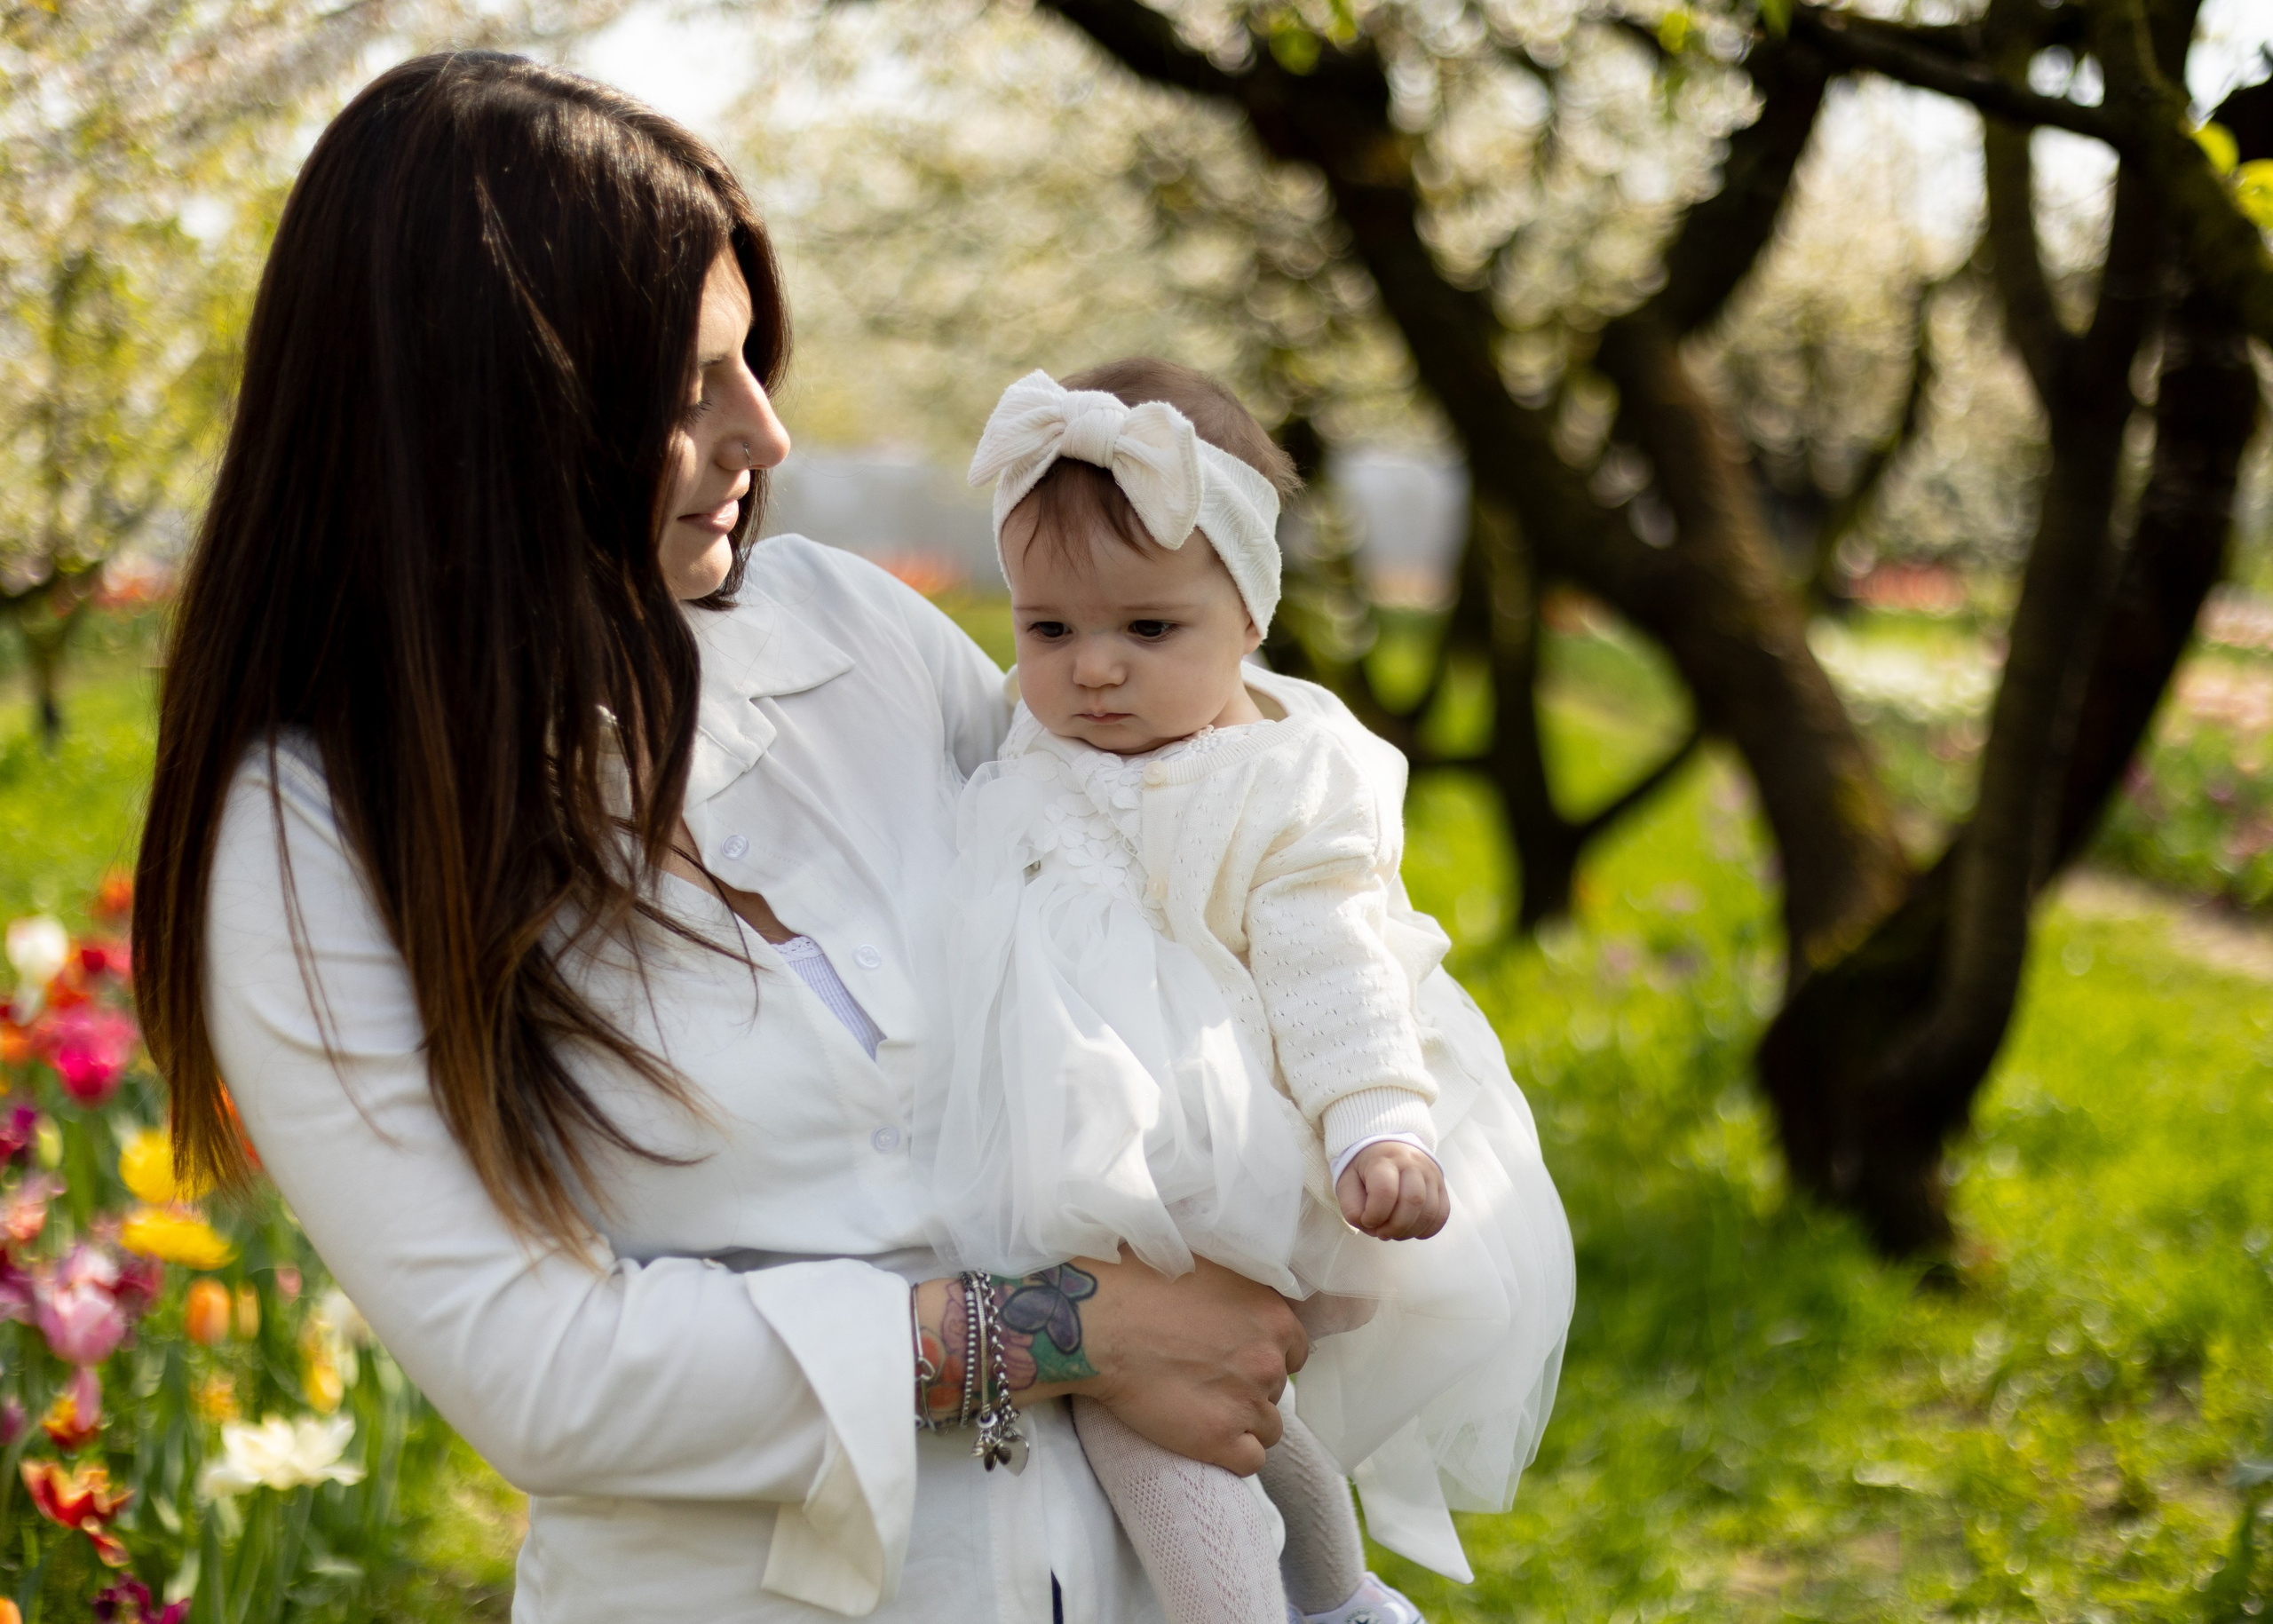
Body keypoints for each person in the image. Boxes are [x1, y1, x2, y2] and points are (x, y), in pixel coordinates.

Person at [131, 53, 1310, 1623]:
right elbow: (539, 1367)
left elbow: (1171, 843)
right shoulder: (312, 836)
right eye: (690, 385)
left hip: (1135, 1566)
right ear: (493, 402)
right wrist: (1058, 1328)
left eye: (752, 363)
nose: (763, 432)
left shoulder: (849, 631)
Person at [920, 363, 1576, 1624]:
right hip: (1066, 1141)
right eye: (1050, 629)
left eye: (1148, 630)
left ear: (1249, 617)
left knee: (1138, 1411)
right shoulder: (1026, 743)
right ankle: (1340, 1602)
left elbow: (1338, 963)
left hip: (1197, 1157)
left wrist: (1377, 1119)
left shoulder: (1275, 782)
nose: (1093, 671)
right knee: (1234, 1412)